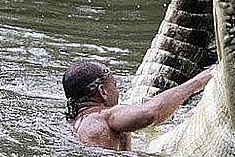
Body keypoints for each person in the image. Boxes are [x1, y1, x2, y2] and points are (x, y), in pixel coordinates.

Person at [62, 59, 213, 151]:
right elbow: (151, 114)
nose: (117, 91)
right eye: (115, 85)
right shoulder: (106, 117)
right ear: (103, 91)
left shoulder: (73, 124)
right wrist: (199, 81)